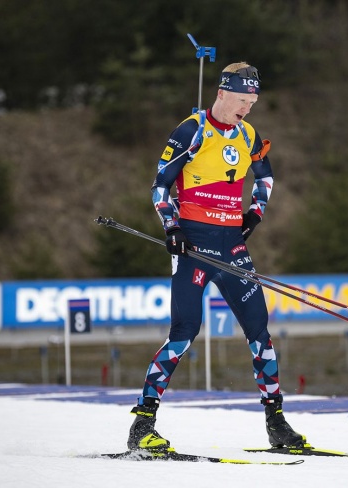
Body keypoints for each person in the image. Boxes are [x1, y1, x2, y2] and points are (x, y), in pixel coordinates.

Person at [126, 62, 306, 452]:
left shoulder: (248, 135)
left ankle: (276, 423)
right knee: (184, 333)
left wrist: (254, 213)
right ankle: (142, 424)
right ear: (222, 93)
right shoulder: (192, 130)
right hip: (194, 246)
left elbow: (266, 176)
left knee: (260, 334)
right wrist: (171, 228)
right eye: (242, 100)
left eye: (253, 102)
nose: (247, 108)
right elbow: (159, 187)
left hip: (232, 247)